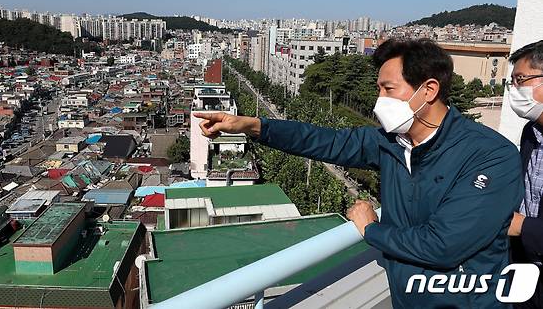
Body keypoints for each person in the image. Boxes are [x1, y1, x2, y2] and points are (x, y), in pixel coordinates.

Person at [194, 38, 523, 308]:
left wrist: (371, 229)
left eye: (388, 89)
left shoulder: (491, 156)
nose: (378, 101)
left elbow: (443, 245)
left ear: (429, 90)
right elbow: (324, 141)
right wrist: (254, 125)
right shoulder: (391, 142)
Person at [507, 40, 543, 309]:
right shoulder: (531, 132)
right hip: (524, 267)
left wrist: (522, 226)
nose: (514, 90)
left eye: (521, 79)